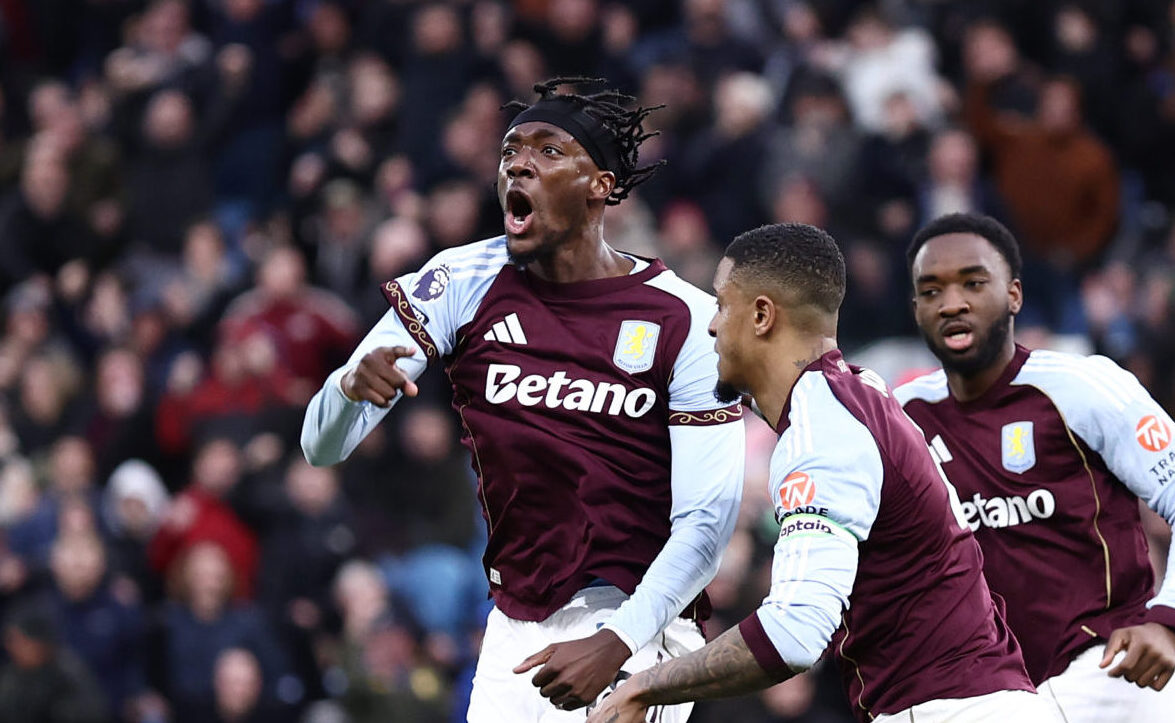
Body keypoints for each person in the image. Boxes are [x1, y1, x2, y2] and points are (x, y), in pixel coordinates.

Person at [301, 77, 746, 721]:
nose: (520, 164)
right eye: (510, 152)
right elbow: (321, 445)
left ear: (600, 184)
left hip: (640, 624)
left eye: (547, 151)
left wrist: (617, 641)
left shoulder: (686, 319)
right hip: (517, 625)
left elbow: (708, 525)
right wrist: (347, 388)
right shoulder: (461, 280)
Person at [587, 223, 1060, 723]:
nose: (711, 325)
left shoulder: (822, 432)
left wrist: (644, 686)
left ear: (762, 315)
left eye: (722, 304)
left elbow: (793, 634)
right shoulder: (856, 397)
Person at [895, 212, 1175, 722]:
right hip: (989, 697)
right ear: (916, 309)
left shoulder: (1080, 387)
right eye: (931, 290)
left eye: (974, 283)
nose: (953, 302)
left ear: (1014, 295)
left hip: (1109, 677)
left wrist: (1168, 621)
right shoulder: (900, 416)